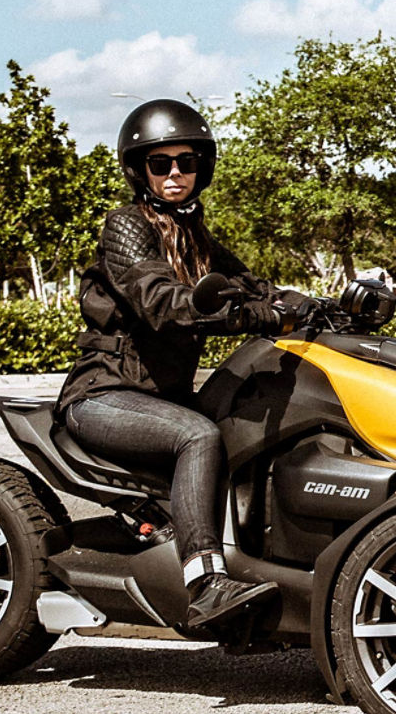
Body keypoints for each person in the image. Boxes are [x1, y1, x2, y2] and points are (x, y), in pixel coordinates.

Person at [56, 100, 297, 631]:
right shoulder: (125, 228)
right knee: (199, 436)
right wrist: (239, 313)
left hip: (160, 397)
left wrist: (309, 305)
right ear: (139, 170)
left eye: (185, 163)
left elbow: (255, 286)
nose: (174, 175)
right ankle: (206, 584)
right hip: (103, 396)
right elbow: (161, 300)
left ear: (200, 168)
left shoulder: (196, 238)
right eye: (159, 164)